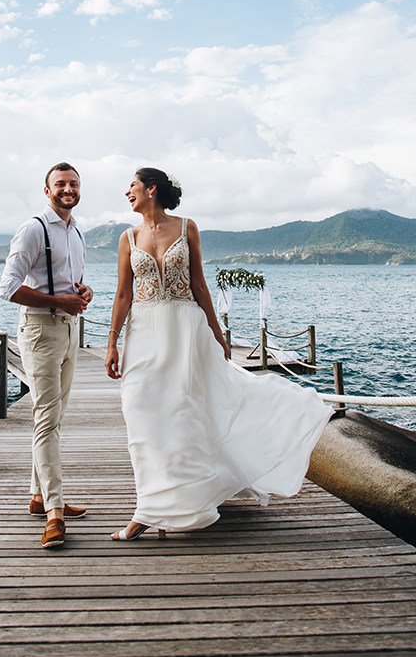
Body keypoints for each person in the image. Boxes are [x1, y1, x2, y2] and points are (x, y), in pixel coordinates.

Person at [105, 167, 333, 541]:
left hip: (186, 330)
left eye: (131, 185)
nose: (126, 192)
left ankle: (155, 510)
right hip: (143, 332)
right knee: (140, 414)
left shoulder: (187, 227)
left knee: (183, 415)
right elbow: (123, 294)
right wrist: (113, 342)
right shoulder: (127, 237)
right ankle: (151, 505)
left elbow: (198, 284)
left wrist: (215, 331)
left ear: (151, 188)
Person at [0, 162, 93, 549]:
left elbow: (70, 285)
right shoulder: (34, 228)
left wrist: (82, 293)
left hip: (69, 331)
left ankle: (40, 497)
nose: (67, 189)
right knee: (46, 420)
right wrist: (58, 301)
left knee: (53, 418)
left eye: (73, 184)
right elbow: (8, 287)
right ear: (47, 190)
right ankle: (54, 512)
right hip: (39, 331)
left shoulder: (76, 232)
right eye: (60, 184)